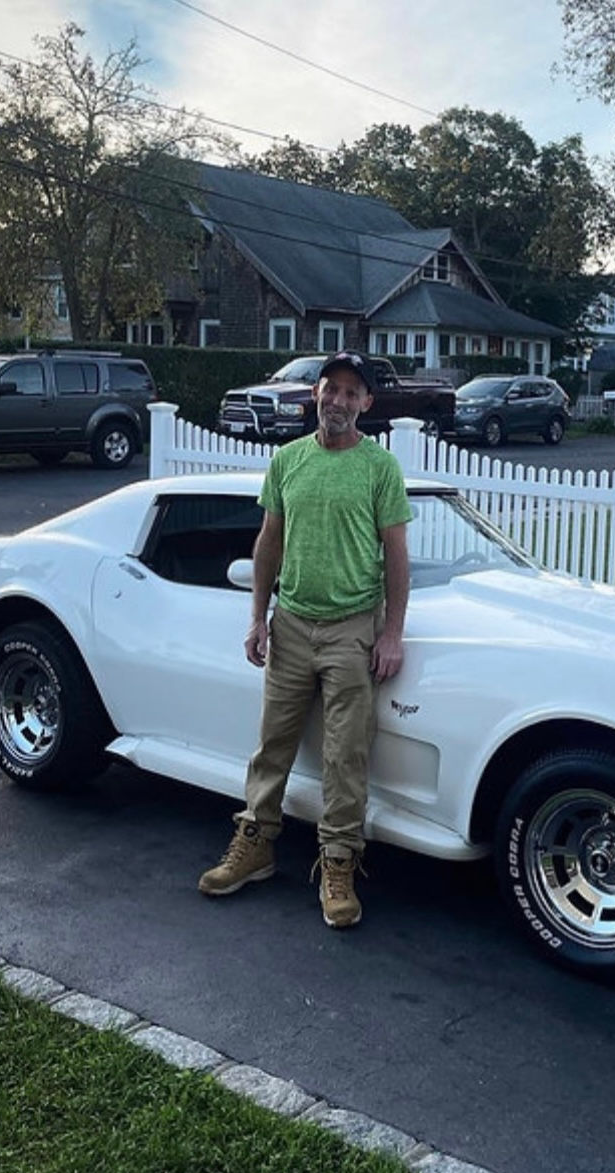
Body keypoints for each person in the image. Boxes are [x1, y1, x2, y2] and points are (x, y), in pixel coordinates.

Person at [198, 350, 412, 928]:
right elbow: (269, 541)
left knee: (347, 752)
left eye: (351, 393)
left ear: (366, 404)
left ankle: (338, 862)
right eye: (331, 388)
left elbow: (396, 554)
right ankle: (256, 843)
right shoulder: (288, 460)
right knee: (273, 743)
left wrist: (392, 632)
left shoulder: (379, 468)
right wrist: (256, 616)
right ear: (314, 394)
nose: (339, 401)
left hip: (351, 629)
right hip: (290, 625)